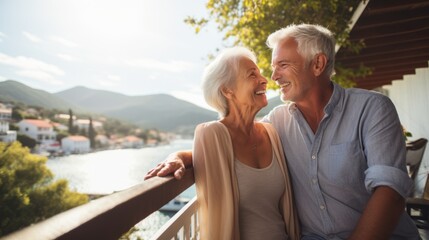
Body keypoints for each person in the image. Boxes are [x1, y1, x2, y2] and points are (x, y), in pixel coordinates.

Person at [145, 24, 420, 239]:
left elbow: (390, 190)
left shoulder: (372, 108)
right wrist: (182, 156)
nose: (273, 76)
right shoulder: (278, 122)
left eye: (283, 65)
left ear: (317, 64)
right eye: (272, 67)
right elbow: (230, 139)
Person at [175, 46, 299, 239]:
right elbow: (203, 153)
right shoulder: (212, 133)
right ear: (227, 90)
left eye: (260, 73)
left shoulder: (270, 132)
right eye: (252, 75)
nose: (264, 80)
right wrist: (176, 156)